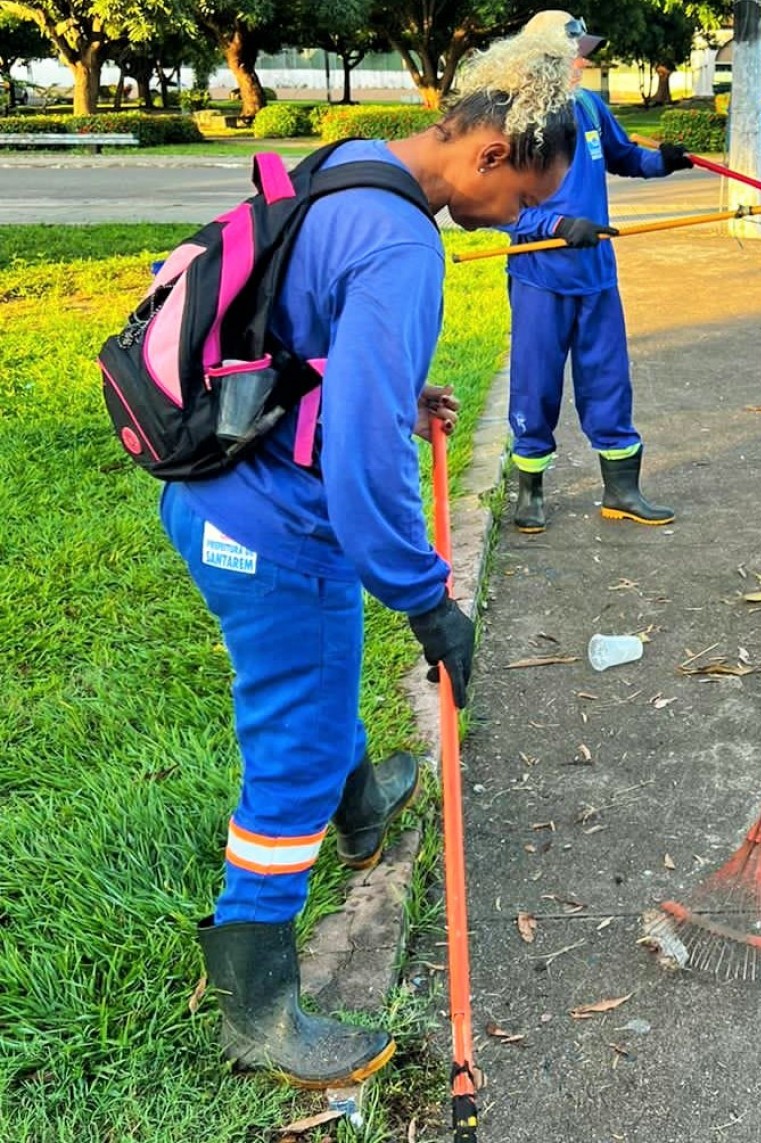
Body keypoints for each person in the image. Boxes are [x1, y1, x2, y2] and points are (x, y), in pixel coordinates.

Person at [160, 28, 580, 1088]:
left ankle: (365, 808)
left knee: (313, 675)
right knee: (291, 749)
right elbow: (358, 462)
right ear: (490, 152)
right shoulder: (405, 247)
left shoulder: (354, 166)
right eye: (528, 195)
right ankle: (257, 1007)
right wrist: (425, 596)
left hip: (214, 486)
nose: (525, 217)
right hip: (270, 527)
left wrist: (397, 392)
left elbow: (304, 332)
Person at [502, 9, 694, 534]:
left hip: (596, 275)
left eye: (583, 54)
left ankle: (622, 491)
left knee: (609, 380)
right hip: (540, 275)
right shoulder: (515, 121)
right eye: (574, 55)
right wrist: (559, 224)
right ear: (543, 58)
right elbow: (499, 209)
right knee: (535, 385)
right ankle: (531, 492)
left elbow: (625, 156)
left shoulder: (589, 106)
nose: (583, 63)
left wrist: (664, 162)